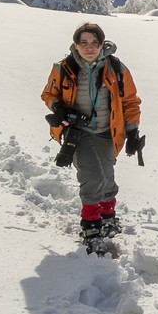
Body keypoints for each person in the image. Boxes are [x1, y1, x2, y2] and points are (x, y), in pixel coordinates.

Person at [41, 22, 145, 250]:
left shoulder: (116, 68)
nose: (89, 47)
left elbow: (130, 101)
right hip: (77, 133)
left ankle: (108, 217)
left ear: (101, 44)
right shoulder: (63, 68)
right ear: (76, 45)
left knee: (107, 176)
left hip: (108, 132)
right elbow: (49, 93)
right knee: (92, 177)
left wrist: (132, 130)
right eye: (84, 43)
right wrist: (58, 108)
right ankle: (91, 227)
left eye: (94, 43)